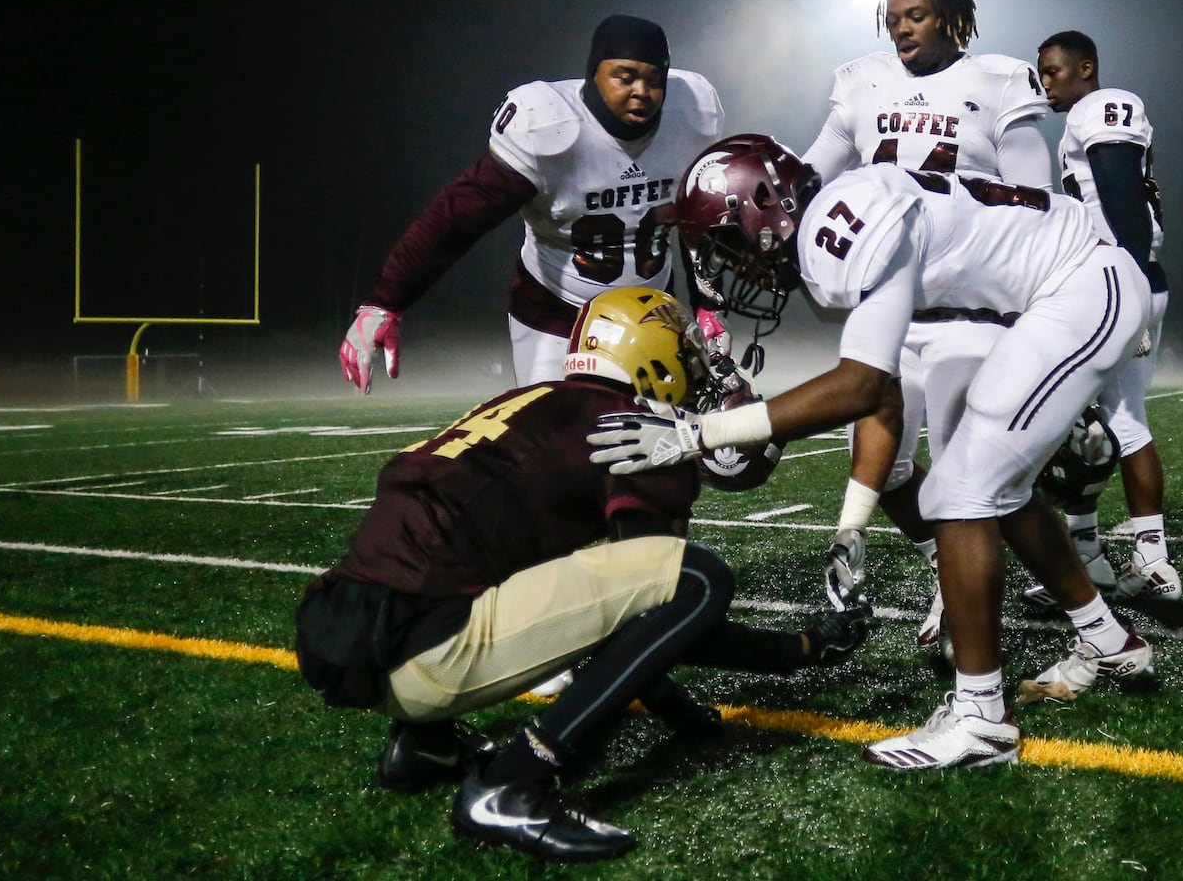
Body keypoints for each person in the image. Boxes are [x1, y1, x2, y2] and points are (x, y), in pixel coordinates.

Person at [589, 135, 1154, 770]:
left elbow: (857, 385)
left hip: (1083, 286)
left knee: (962, 492)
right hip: (1067, 286)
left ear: (764, 204)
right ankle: (1110, 641)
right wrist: (850, 526)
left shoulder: (842, 230)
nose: (736, 265)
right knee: (994, 486)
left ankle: (982, 720)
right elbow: (880, 395)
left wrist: (698, 434)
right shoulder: (852, 218)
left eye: (729, 243)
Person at [296, 285, 869, 863]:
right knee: (698, 580)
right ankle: (513, 783)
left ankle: (425, 747)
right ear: (652, 354)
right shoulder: (631, 431)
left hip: (340, 632)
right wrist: (800, 648)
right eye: (688, 352)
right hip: (422, 656)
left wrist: (674, 705)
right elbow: (657, 611)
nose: (695, 367)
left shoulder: (532, 399)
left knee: (485, 557)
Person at [799, 0, 1051, 642]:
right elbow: (809, 173)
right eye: (893, 20)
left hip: (967, 307)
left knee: (962, 479)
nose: (901, 30)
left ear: (948, 13)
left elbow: (1037, 198)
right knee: (887, 468)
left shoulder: (998, 80)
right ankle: (948, 567)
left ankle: (1012, 633)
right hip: (884, 305)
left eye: (914, 16)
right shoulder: (860, 81)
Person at [339, 14, 728, 396]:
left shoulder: (692, 116)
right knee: (556, 438)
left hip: (652, 308)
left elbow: (701, 223)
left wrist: (706, 305)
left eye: (653, 80)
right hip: (557, 311)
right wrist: (384, 302)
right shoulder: (548, 127)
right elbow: (456, 219)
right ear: (593, 73)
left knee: (665, 440)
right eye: (624, 76)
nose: (641, 91)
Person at [1019, 30, 1179, 605]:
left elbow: (1121, 197)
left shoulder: (1099, 107)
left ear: (1085, 68)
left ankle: (1134, 559)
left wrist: (1127, 289)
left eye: (1053, 71)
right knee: (1101, 422)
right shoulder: (1083, 116)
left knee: (1075, 423)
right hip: (1128, 279)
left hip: (1115, 281)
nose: (1045, 83)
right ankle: (1102, 557)